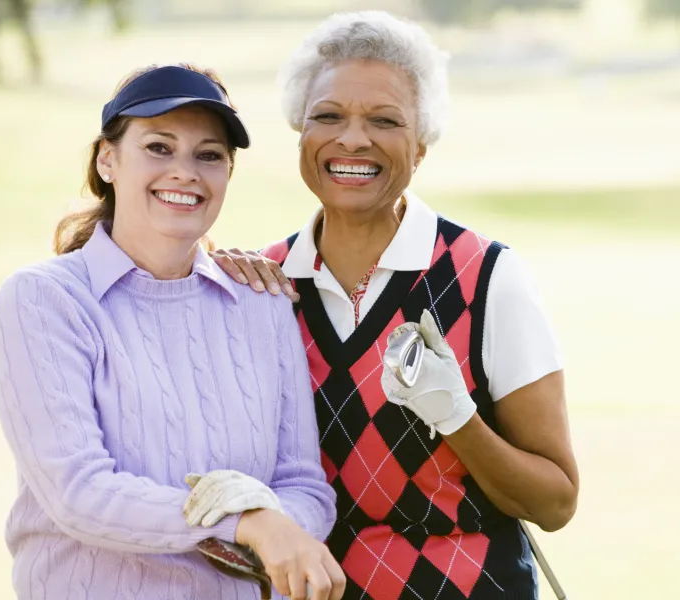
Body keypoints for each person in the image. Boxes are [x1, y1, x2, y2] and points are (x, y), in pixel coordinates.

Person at [202, 12, 579, 599]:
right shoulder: (264, 286)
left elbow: (554, 502)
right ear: (300, 131)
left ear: (421, 145)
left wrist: (458, 420)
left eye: (385, 120)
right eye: (328, 116)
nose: (353, 139)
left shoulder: (488, 278)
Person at [0, 63, 345, 600]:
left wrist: (268, 523)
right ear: (107, 159)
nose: (185, 172)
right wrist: (245, 521)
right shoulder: (45, 300)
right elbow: (78, 492)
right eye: (158, 147)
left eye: (209, 155)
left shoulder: (261, 303)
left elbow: (305, 488)